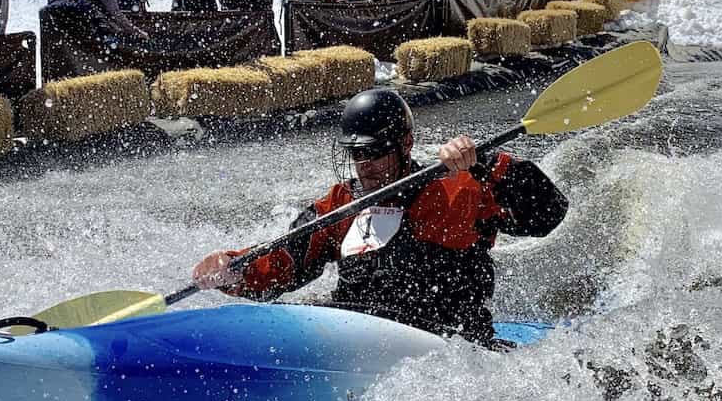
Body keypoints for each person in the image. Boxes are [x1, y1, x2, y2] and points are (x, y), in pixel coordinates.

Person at [191, 89, 568, 345]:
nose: (364, 165)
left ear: (404, 145)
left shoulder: (463, 188)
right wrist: (235, 268)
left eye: (374, 152)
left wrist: (485, 162)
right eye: (357, 154)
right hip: (361, 336)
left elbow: (548, 213)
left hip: (446, 342)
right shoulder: (341, 205)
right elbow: (288, 258)